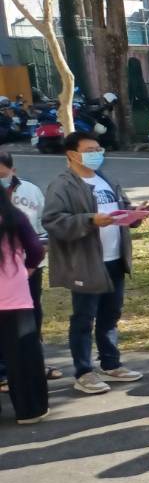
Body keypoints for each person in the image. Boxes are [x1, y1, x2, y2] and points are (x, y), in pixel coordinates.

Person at [42, 131, 149, 394]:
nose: (97, 153)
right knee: (84, 318)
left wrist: (136, 214)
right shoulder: (62, 185)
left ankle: (111, 364)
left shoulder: (106, 179)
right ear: (71, 154)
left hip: (114, 258)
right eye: (90, 149)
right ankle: (84, 372)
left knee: (110, 315)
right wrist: (90, 220)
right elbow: (53, 221)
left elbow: (121, 211)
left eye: (99, 148)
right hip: (86, 262)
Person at [0, 151, 61, 389]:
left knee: (31, 319)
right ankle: (4, 370)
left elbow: (42, 231)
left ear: (13, 171)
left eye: (3, 174)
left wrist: (31, 266)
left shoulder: (30, 191)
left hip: (26, 273)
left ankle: (34, 365)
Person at [0, 181, 48, 424]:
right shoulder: (13, 216)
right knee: (22, 355)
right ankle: (29, 410)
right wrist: (26, 269)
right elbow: (36, 250)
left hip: (12, 296)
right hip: (13, 294)